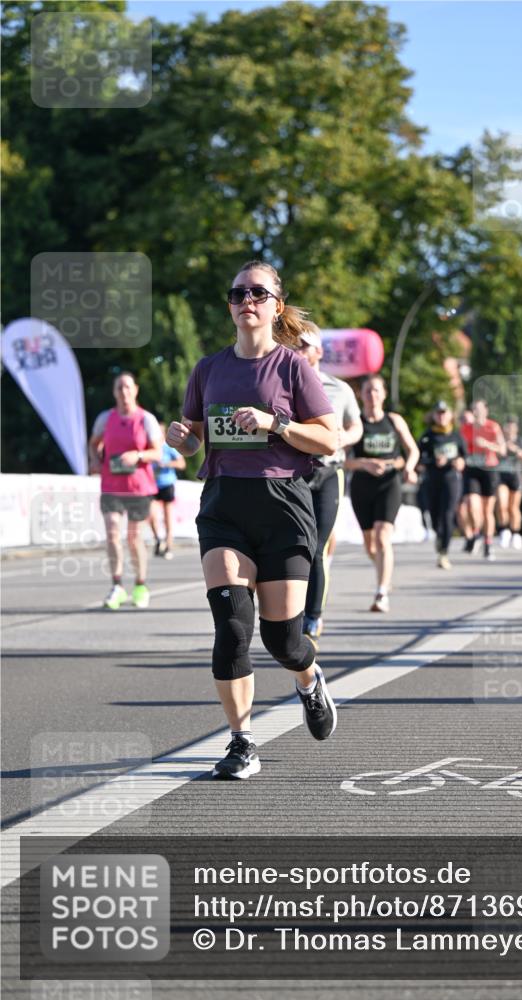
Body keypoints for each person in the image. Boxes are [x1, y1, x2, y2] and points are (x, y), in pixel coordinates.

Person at [166, 261, 337, 780]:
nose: (248, 300)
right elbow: (197, 438)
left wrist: (276, 423)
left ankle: (308, 680)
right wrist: (183, 440)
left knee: (283, 640)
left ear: (275, 306)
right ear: (231, 305)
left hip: (283, 506)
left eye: (259, 293)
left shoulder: (292, 368)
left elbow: (328, 439)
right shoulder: (208, 369)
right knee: (232, 628)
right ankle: (241, 741)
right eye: (239, 292)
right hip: (224, 505)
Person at [294, 322, 363, 642]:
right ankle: (289, 611)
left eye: (304, 346)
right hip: (296, 472)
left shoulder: (340, 389)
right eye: (294, 345)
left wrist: (343, 438)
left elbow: (356, 426)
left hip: (329, 472)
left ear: (319, 351)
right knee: (296, 546)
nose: (298, 350)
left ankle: (313, 617)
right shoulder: (284, 386)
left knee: (317, 547)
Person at [345, 374, 420, 612]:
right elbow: (341, 459)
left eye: (376, 390)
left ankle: (381, 592)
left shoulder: (394, 420)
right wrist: (364, 463)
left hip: (389, 482)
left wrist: (408, 467)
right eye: (368, 391)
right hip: (362, 486)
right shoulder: (355, 423)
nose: (372, 395)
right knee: (370, 544)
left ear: (384, 394)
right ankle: (382, 572)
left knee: (382, 535)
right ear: (361, 395)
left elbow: (413, 450)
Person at [89, 372, 162, 610]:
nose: (124, 392)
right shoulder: (105, 418)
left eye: (128, 387)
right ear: (114, 392)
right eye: (119, 387)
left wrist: (137, 455)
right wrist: (96, 462)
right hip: (111, 485)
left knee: (133, 537)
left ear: (136, 390)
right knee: (111, 533)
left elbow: (158, 453)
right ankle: (117, 586)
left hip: (138, 488)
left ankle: (141, 585)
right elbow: (94, 443)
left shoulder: (146, 419)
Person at [417, 400, 467, 569]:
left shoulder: (456, 435)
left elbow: (465, 457)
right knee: (435, 516)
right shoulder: (427, 436)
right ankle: (439, 539)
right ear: (434, 415)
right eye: (438, 413)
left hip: (451, 480)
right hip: (432, 481)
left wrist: (459, 462)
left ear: (451, 415)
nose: (441, 416)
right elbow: (418, 459)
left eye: (444, 412)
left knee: (448, 515)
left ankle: (444, 551)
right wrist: (432, 461)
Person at [460, 399, 506, 561]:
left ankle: (487, 542)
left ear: (486, 411)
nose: (476, 412)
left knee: (488, 510)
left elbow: (503, 450)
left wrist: (487, 444)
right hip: (471, 469)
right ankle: (476, 532)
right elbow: (460, 448)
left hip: (489, 469)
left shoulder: (493, 427)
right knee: (472, 505)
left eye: (479, 409)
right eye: (474, 409)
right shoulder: (466, 428)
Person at [149, 422, 186, 559]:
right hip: (151, 485)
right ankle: (158, 539)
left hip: (167, 483)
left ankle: (168, 544)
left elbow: (182, 464)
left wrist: (166, 464)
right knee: (151, 515)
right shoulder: (149, 447)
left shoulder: (168, 447)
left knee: (167, 515)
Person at [496, 417, 522, 549]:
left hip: (515, 476)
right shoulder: (500, 441)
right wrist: (502, 449)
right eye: (507, 428)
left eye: (512, 428)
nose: (509, 431)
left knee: (513, 507)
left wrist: (517, 450)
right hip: (501, 476)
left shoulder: (521, 441)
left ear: (516, 429)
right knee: (501, 504)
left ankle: (516, 533)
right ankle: (504, 530)